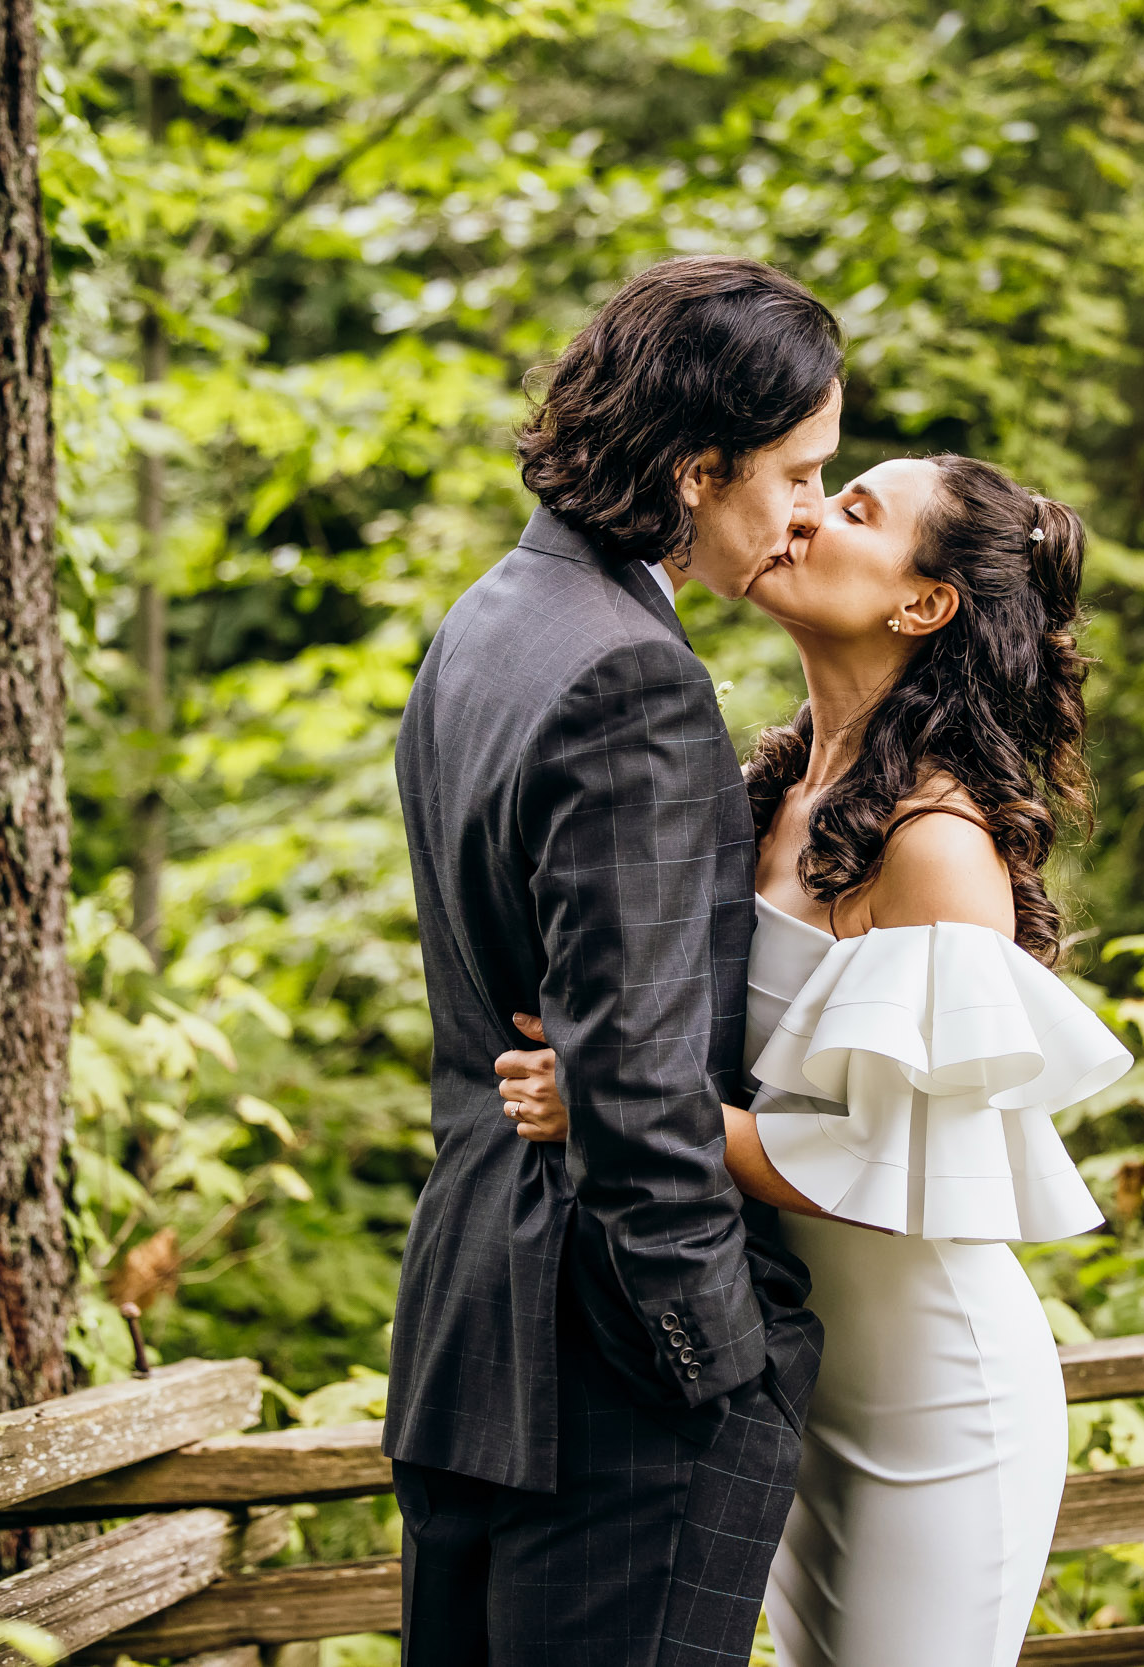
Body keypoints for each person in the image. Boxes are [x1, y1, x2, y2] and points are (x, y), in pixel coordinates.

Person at [497, 454, 1133, 1667]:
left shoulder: (935, 840)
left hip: (936, 1404)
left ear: (923, 603)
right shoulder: (772, 794)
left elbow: (884, 1165)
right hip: (796, 1374)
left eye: (854, 510)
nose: (803, 511)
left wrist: (618, 1109)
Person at [386, 255, 839, 1667]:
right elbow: (636, 1090)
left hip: (471, 1320)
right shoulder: (633, 679)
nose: (811, 514)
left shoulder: (491, 619)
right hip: (608, 1376)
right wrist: (727, 1370)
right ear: (701, 468)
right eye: (800, 471)